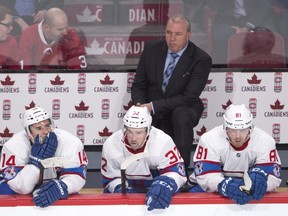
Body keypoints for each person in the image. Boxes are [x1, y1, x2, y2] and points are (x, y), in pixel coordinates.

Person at [131, 14, 212, 177]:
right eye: (168, 33)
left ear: (188, 34)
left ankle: (180, 172)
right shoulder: (151, 50)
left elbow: (189, 97)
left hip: (184, 106)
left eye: (178, 34)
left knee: (180, 115)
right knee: (138, 116)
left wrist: (153, 106)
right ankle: (139, 171)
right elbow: (139, 84)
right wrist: (140, 106)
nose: (172, 38)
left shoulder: (201, 59)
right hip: (152, 104)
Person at [189, 104, 282, 205]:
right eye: (233, 130)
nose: (238, 136)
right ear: (226, 127)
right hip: (210, 188)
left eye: (242, 130)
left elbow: (273, 177)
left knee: (261, 190)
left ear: (250, 127)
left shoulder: (265, 141)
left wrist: (262, 183)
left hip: (247, 189)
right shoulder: (209, 139)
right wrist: (225, 185)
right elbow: (206, 177)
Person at [101, 105, 186, 211]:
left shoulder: (162, 141)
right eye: (129, 132)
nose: (133, 138)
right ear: (124, 129)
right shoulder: (111, 144)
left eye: (139, 132)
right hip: (127, 194)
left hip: (156, 191)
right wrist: (120, 188)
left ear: (148, 131)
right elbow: (110, 179)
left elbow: (178, 173)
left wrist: (164, 185)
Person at [0, 106, 88, 208]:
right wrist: (36, 162)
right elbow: (22, 188)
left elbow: (77, 177)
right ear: (29, 132)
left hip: (53, 183)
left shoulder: (70, 142)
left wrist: (63, 186)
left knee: (67, 192)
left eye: (47, 126)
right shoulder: (13, 146)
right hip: (16, 189)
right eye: (38, 128)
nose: (45, 131)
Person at [206, 0, 276, 64]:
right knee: (222, 33)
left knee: (264, 35)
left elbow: (264, 7)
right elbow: (212, 5)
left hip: (256, 18)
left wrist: (248, 27)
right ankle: (227, 67)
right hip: (230, 19)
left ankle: (259, 67)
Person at [18, 7, 87, 69]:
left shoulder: (71, 34)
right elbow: (25, 70)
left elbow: (77, 68)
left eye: (66, 27)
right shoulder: (29, 34)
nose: (65, 32)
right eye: (60, 29)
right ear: (47, 28)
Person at [0, 0, 64, 36]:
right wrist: (19, 21)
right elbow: (3, 6)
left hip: (37, 20)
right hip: (13, 21)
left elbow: (57, 2)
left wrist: (46, 10)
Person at [0, 5, 19, 69]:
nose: (11, 28)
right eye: (8, 25)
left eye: (11, 24)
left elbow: (15, 70)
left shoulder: (11, 41)